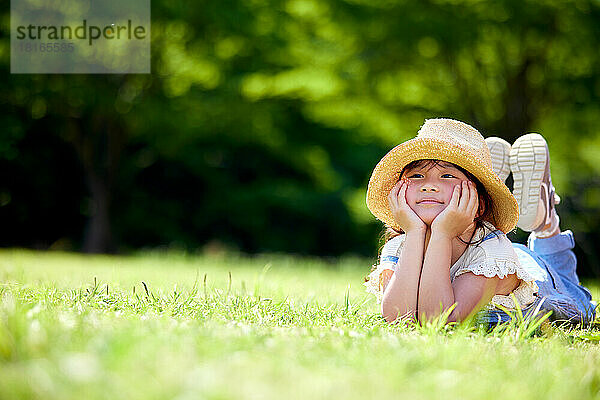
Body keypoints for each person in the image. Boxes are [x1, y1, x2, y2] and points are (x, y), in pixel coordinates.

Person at [364, 118, 595, 326]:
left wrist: (442, 234)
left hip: (536, 277)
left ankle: (547, 223)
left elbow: (437, 319)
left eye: (447, 175)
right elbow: (397, 316)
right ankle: (489, 181)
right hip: (487, 245)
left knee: (581, 303)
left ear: (479, 205)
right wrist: (414, 232)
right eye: (416, 175)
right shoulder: (402, 243)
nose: (428, 185)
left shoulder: (490, 253)